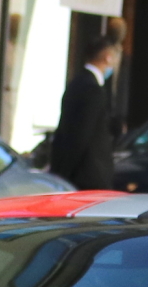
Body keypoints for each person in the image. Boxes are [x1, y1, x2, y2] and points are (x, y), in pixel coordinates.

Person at [47, 25, 124, 191]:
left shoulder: (76, 83)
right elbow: (81, 135)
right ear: (108, 58)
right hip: (88, 178)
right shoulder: (93, 90)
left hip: (76, 176)